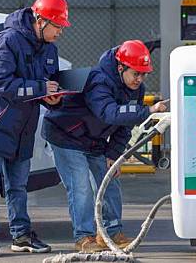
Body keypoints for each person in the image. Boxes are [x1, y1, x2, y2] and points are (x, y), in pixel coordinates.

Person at [0, 0, 70, 257]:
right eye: (57, 26)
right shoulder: (6, 42)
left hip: (22, 127)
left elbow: (46, 85)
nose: (60, 32)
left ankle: (21, 236)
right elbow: (1, 84)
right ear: (41, 21)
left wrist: (53, 99)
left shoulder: (48, 48)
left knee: (18, 185)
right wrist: (40, 88)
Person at [42, 40, 167, 253]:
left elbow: (124, 124)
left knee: (109, 182)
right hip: (66, 137)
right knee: (81, 185)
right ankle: (84, 238)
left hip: (94, 140)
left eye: (143, 74)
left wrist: (114, 154)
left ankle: (111, 233)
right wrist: (148, 111)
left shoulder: (135, 89)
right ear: (121, 68)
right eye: (136, 73)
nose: (140, 79)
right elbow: (108, 113)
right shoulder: (98, 81)